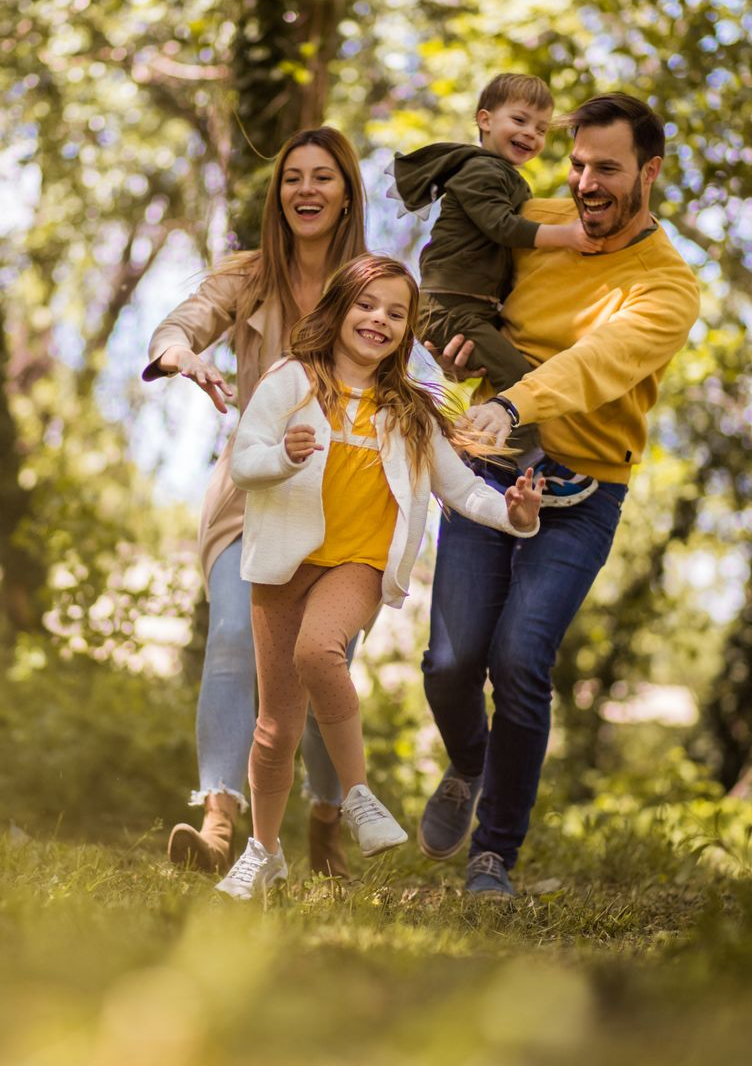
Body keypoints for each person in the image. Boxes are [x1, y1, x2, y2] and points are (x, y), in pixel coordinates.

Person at [417, 93, 701, 899]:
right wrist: (452, 334)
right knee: (448, 661)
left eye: (606, 169)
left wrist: (512, 402)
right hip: (489, 466)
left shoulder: (667, 286)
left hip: (582, 489)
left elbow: (596, 363)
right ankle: (469, 764)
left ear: (648, 172)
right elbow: (452, 276)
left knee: (518, 658)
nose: (584, 184)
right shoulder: (536, 220)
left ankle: (492, 855)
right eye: (576, 165)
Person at [213, 254, 544, 901]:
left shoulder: (411, 411)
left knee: (318, 651)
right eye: (368, 305)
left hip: (357, 565)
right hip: (283, 562)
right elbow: (245, 462)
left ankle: (358, 795)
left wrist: (513, 515)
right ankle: (263, 851)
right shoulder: (291, 382)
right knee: (275, 726)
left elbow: (462, 489)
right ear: (339, 308)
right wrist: (282, 457)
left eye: (396, 314)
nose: (379, 321)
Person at [144, 126, 370, 879]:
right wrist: (181, 354)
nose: (305, 190)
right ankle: (217, 826)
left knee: (320, 660)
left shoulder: (373, 286)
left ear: (345, 195)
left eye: (322, 178)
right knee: (235, 638)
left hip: (346, 501)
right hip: (253, 490)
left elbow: (423, 365)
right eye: (292, 179)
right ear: (279, 195)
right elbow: (180, 323)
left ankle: (326, 820)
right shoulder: (246, 276)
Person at [391, 73, 599, 503]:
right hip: (450, 307)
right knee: (518, 378)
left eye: (541, 129)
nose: (531, 134)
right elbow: (501, 227)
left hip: (466, 307)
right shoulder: (481, 169)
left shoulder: (500, 173)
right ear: (484, 120)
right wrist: (568, 235)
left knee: (513, 371)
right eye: (520, 120)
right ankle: (531, 466)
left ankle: (485, 455)